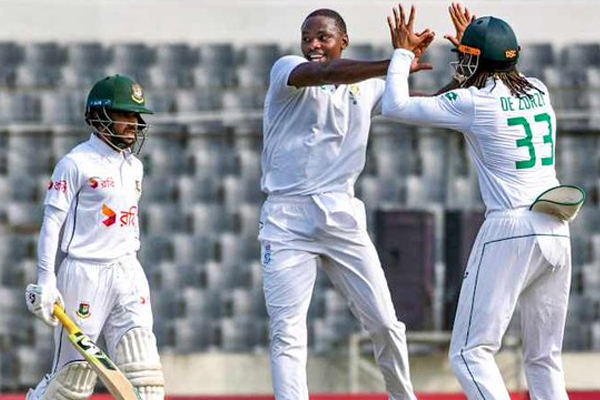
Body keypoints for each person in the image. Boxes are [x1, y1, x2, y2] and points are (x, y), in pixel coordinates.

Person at [382, 5, 582, 399]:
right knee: (544, 357)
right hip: (557, 227)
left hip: (511, 227)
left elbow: (395, 105)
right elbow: (498, 79)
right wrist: (476, 52)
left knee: (469, 352)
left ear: (475, 60)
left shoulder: (474, 101)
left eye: (465, 56)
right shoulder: (538, 89)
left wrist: (402, 53)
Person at [258, 8, 435, 400]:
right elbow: (326, 73)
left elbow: (418, 103)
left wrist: (470, 82)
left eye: (323, 37)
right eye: (307, 37)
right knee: (287, 331)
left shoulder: (368, 87)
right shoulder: (287, 70)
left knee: (386, 324)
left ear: (344, 40)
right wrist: (396, 61)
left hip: (341, 216)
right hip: (286, 218)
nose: (313, 45)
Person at [25, 74, 165, 400]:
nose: (134, 123)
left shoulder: (135, 166)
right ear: (100, 115)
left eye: (136, 115)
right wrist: (46, 280)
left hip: (128, 271)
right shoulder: (74, 163)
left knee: (146, 378)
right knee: (72, 383)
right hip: (84, 275)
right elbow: (51, 224)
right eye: (125, 114)